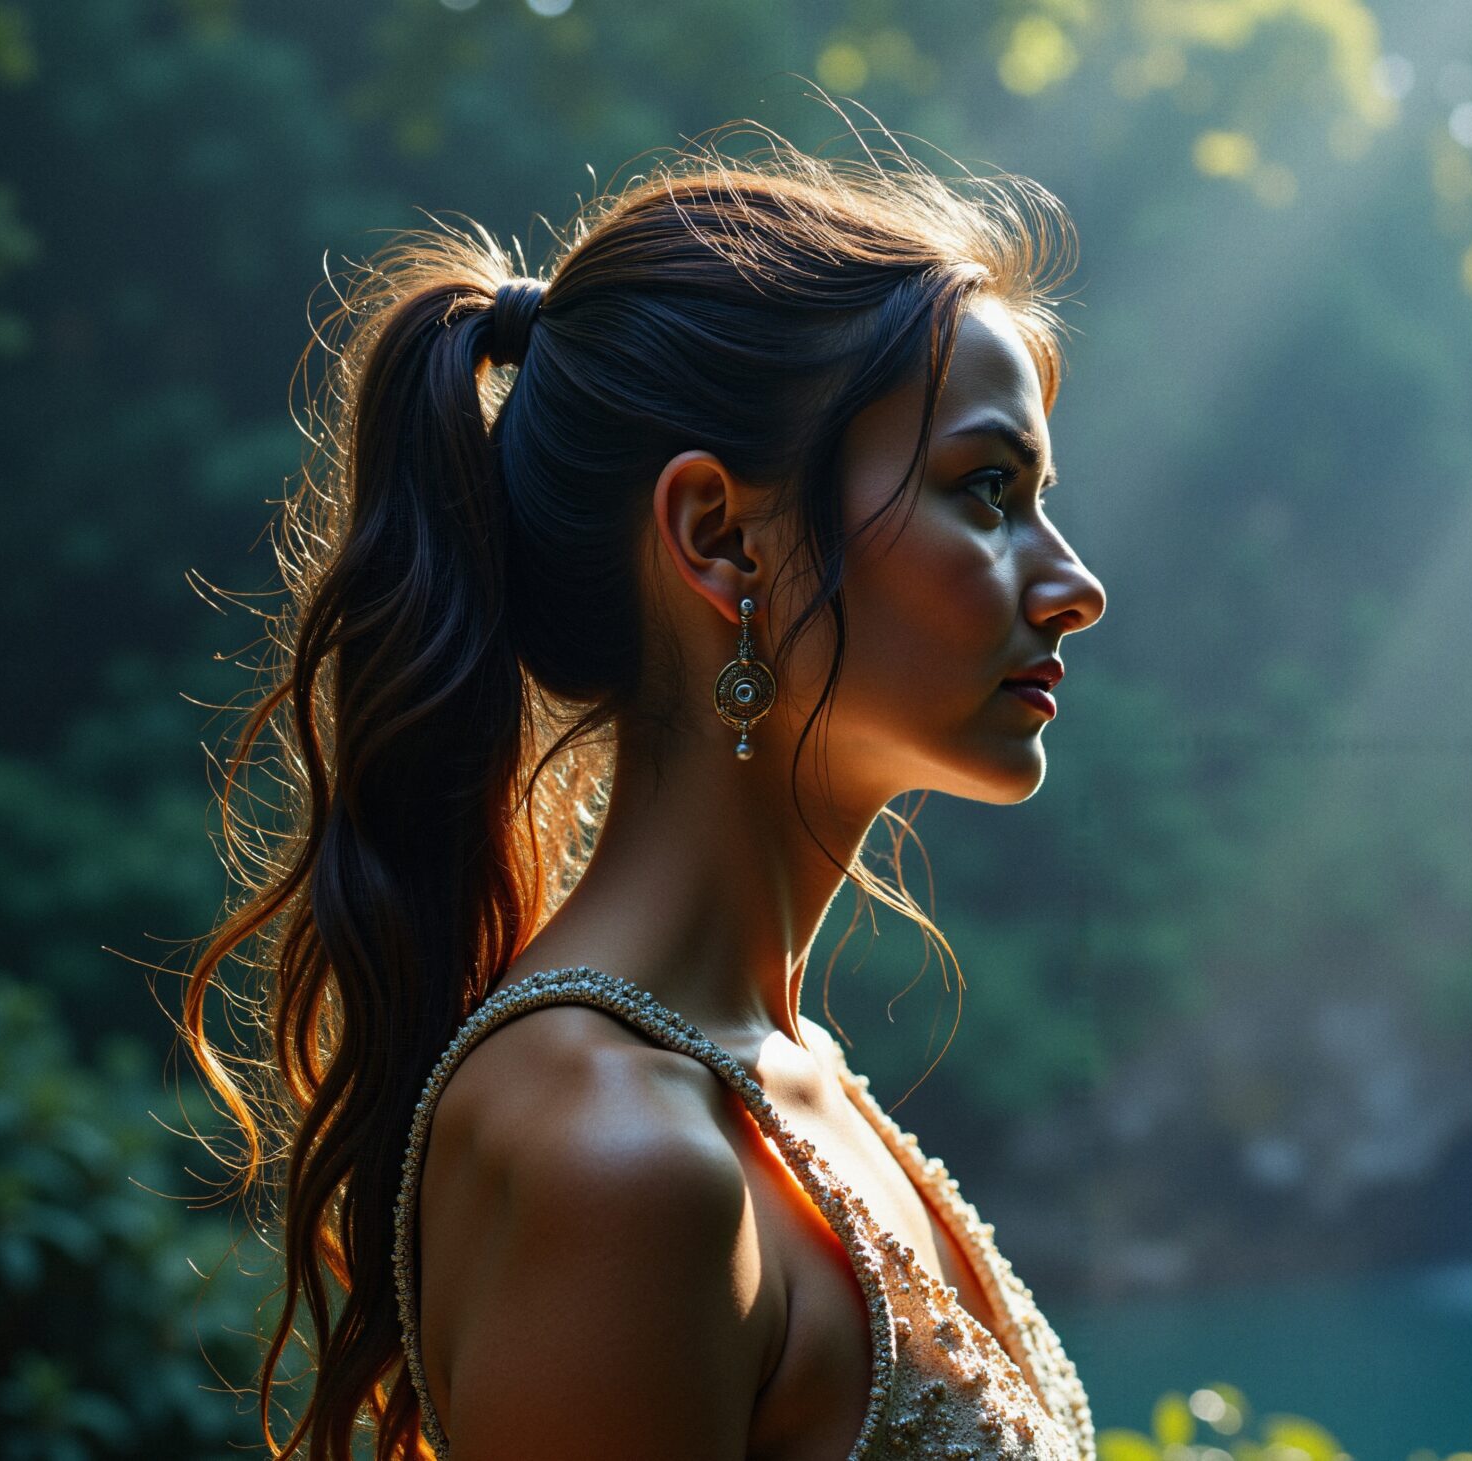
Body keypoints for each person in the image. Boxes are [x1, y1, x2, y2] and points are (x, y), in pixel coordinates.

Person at [181, 118, 1106, 1461]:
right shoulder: (615, 1153)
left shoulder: (789, 1081)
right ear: (719, 539)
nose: (1073, 582)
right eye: (987, 489)